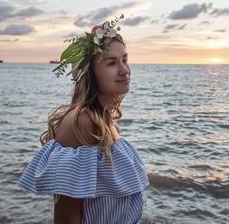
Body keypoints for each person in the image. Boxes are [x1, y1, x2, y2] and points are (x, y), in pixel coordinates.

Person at [17, 14, 150, 224]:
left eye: (125, 60)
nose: (125, 70)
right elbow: (66, 218)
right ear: (90, 72)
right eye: (111, 63)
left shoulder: (105, 120)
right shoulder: (82, 123)